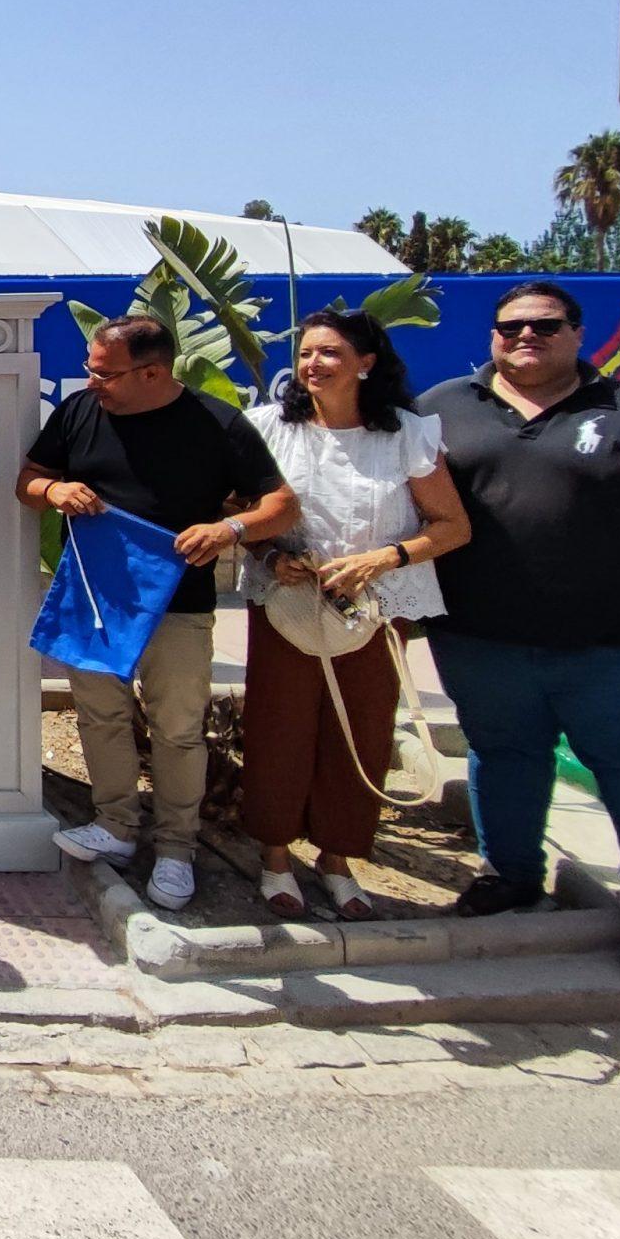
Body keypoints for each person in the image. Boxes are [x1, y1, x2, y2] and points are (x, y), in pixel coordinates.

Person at [417, 281, 620, 992]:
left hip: (618, 647)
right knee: (503, 757)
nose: (526, 337)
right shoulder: (441, 408)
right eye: (511, 326)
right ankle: (510, 877)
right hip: (480, 640)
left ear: (577, 333)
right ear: (492, 335)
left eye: (545, 325)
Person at [17, 314, 296, 913]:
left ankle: (176, 849)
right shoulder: (79, 411)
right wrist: (54, 492)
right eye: (89, 368)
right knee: (100, 716)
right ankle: (115, 826)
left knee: (177, 729)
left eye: (105, 373)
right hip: (95, 598)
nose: (92, 381)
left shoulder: (217, 423)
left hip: (180, 605)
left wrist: (229, 530)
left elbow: (282, 505)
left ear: (152, 372)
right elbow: (30, 480)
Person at [241, 312, 470, 919]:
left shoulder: (408, 436)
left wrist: (384, 558)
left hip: (375, 609)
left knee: (361, 731)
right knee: (278, 726)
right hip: (288, 604)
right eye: (306, 353)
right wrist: (271, 556)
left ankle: (338, 859)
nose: (313, 364)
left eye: (330, 353)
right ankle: (274, 857)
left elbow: (452, 526)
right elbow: (237, 513)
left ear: (366, 364)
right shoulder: (268, 429)